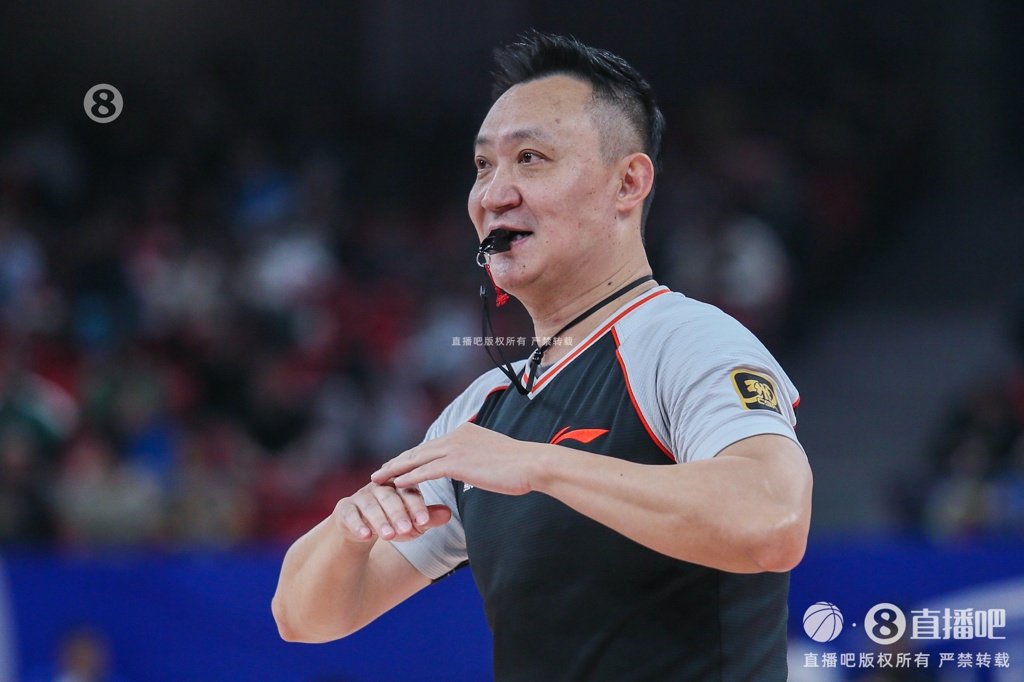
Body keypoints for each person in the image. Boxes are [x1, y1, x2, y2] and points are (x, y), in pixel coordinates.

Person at [272, 31, 812, 681]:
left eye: (530, 158)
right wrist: (349, 529)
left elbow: (772, 520)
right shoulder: (483, 410)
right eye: (483, 166)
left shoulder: (686, 340)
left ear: (628, 183)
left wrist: (538, 465)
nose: (493, 193)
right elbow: (302, 618)